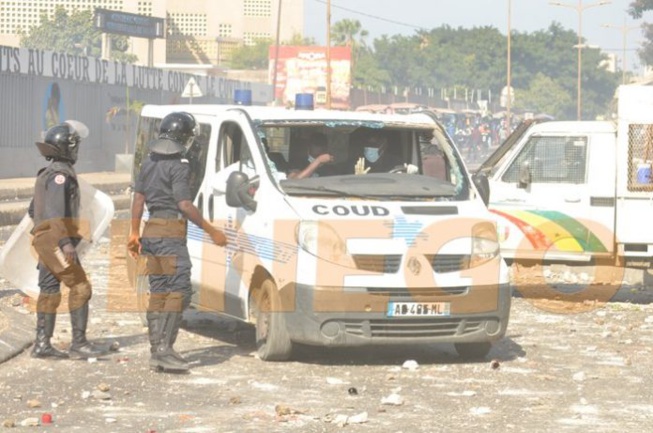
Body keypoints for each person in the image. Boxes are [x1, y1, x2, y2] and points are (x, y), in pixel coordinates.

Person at [128, 111, 228, 373]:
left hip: (150, 230)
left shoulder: (148, 163)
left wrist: (133, 232)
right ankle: (164, 350)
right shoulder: (180, 165)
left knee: (159, 290)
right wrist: (212, 231)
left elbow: (138, 200)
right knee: (180, 290)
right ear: (184, 137)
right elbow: (184, 204)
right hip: (170, 232)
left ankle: (156, 351)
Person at [29, 121, 109, 360]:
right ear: (67, 147)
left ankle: (42, 344)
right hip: (56, 243)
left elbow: (33, 211)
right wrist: (65, 243)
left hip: (45, 242)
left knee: (49, 290)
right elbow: (55, 212)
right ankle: (79, 343)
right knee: (81, 287)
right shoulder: (60, 175)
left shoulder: (47, 173)